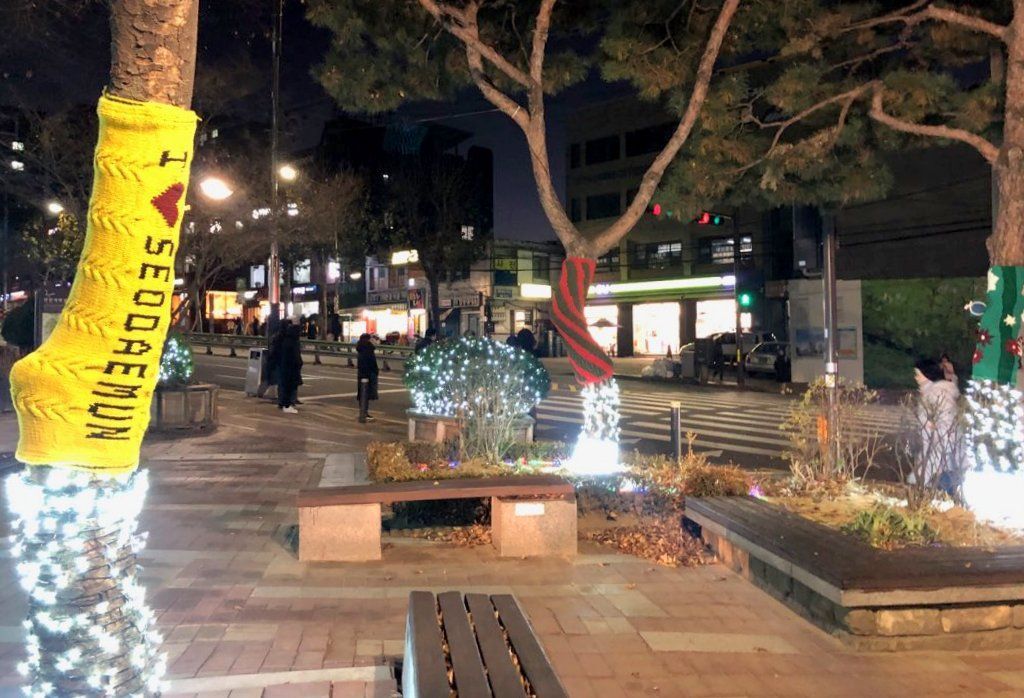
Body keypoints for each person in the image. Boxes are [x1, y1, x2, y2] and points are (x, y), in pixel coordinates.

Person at [914, 358, 962, 495]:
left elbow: (946, 423)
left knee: (936, 488)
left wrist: (937, 445)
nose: (916, 378)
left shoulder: (937, 393)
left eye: (918, 374)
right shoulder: (931, 391)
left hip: (938, 453)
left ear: (927, 375)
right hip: (933, 451)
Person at [277, 323, 304, 413]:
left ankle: (284, 403)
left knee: (285, 385)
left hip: (285, 366)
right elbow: (296, 356)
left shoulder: (285, 339)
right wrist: (299, 363)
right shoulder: (293, 342)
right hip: (291, 367)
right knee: (289, 386)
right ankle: (287, 404)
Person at [356, 333, 379, 422]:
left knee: (363, 394)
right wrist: (375, 371)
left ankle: (363, 413)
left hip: (362, 374)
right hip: (367, 374)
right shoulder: (368, 349)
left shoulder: (362, 348)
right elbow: (371, 362)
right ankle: (364, 414)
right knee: (365, 394)